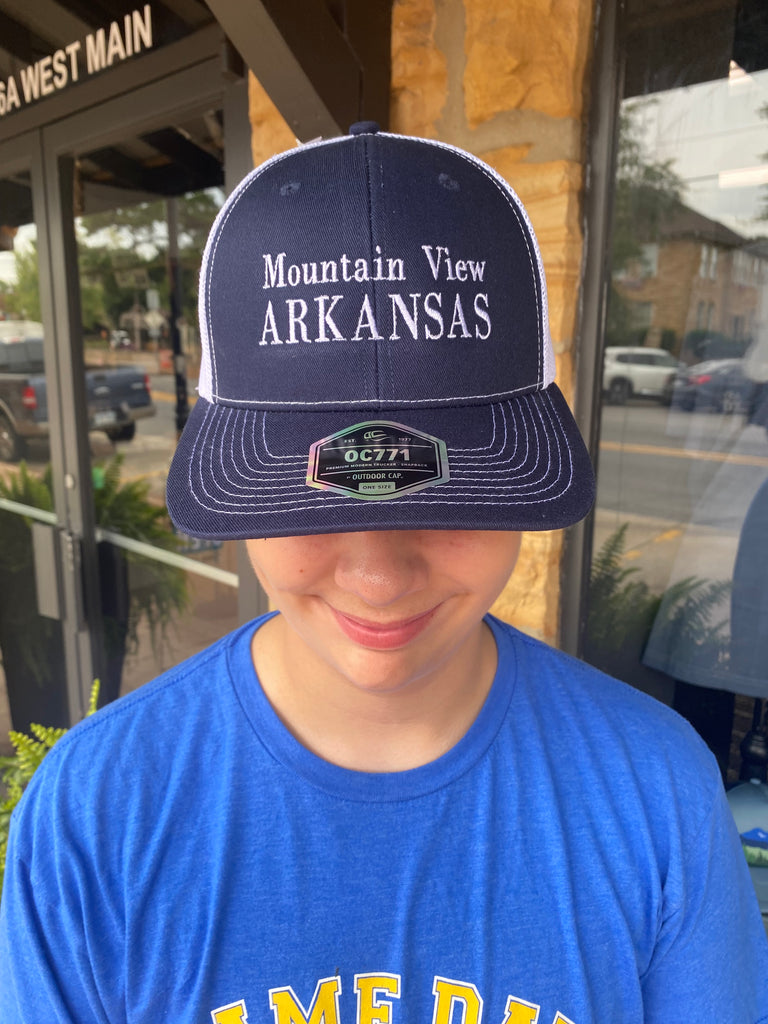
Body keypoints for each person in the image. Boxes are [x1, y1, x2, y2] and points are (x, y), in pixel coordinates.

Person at [1, 123, 766, 1024]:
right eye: (310, 497)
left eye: (450, 493)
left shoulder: (653, 793)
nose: (377, 574)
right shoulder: (99, 813)